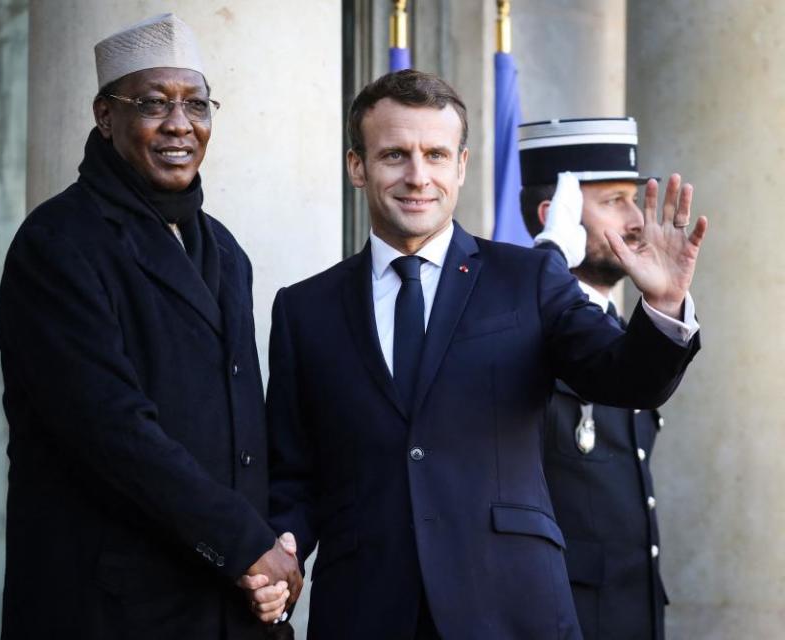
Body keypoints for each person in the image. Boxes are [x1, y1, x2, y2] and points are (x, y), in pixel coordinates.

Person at [264, 70, 706, 639]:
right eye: (395, 154)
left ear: (462, 166)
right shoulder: (305, 309)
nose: (418, 176)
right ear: (357, 166)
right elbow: (293, 474)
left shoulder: (528, 277)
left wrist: (665, 303)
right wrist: (281, 554)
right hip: (364, 609)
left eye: (436, 155)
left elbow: (624, 379)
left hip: (511, 608)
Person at [0, 13, 300, 639]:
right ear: (105, 117)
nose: (179, 125)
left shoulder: (224, 251)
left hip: (224, 602)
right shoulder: (58, 243)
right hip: (110, 607)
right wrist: (246, 543)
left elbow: (244, 429)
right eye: (153, 103)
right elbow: (110, 428)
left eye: (196, 104)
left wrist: (268, 559)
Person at [519, 117, 681, 640]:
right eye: (613, 201)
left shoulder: (617, 327)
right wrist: (549, 257)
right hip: (558, 619)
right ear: (555, 217)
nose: (637, 220)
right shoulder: (519, 325)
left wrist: (666, 302)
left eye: (633, 200)